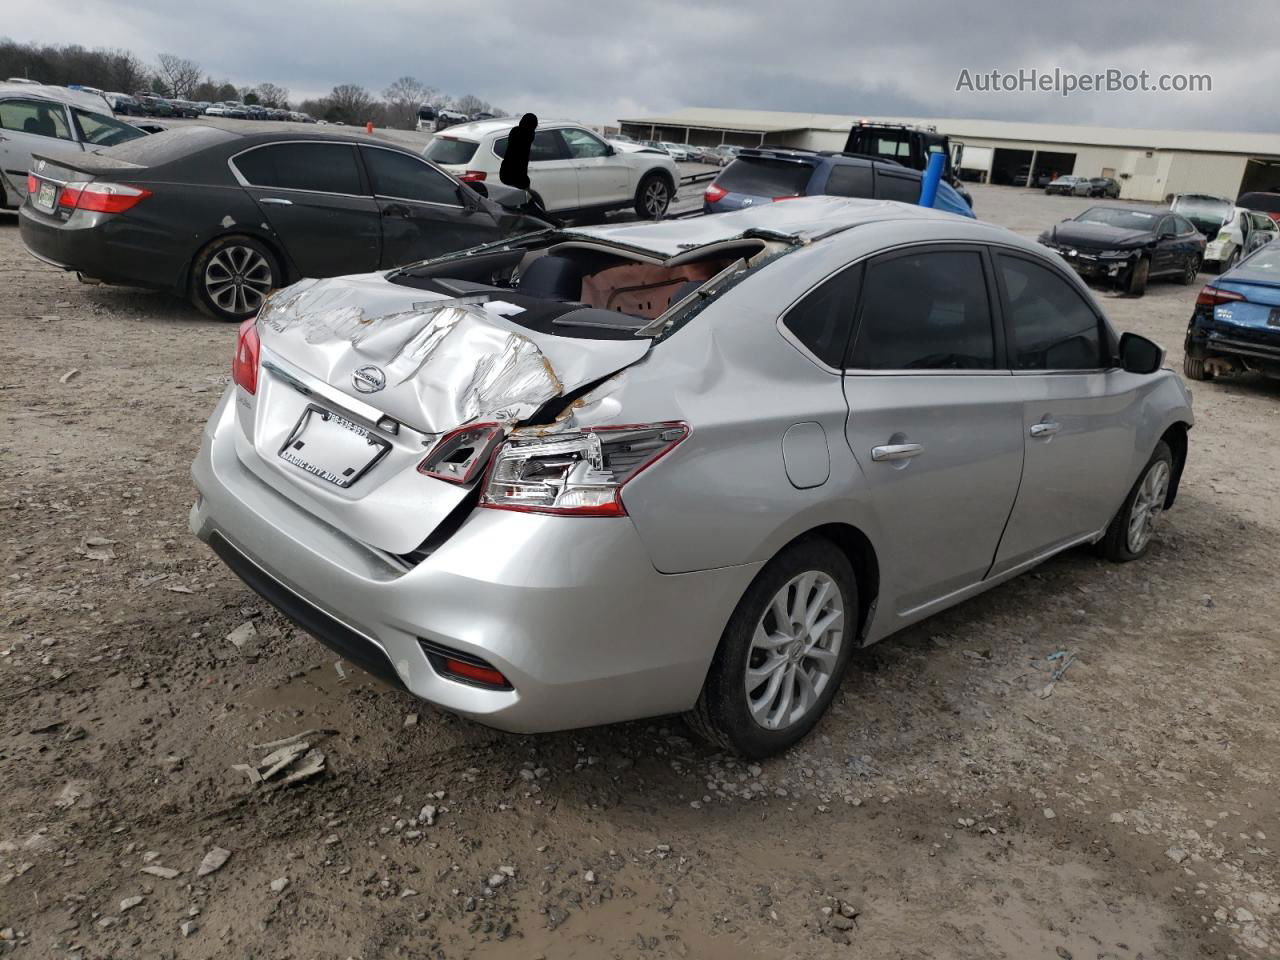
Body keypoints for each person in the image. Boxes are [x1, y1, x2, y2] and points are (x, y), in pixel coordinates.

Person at [499, 113, 557, 224]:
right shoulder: (529, 135)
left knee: (512, 203)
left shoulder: (515, 131)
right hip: (518, 176)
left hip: (506, 172)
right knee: (525, 201)